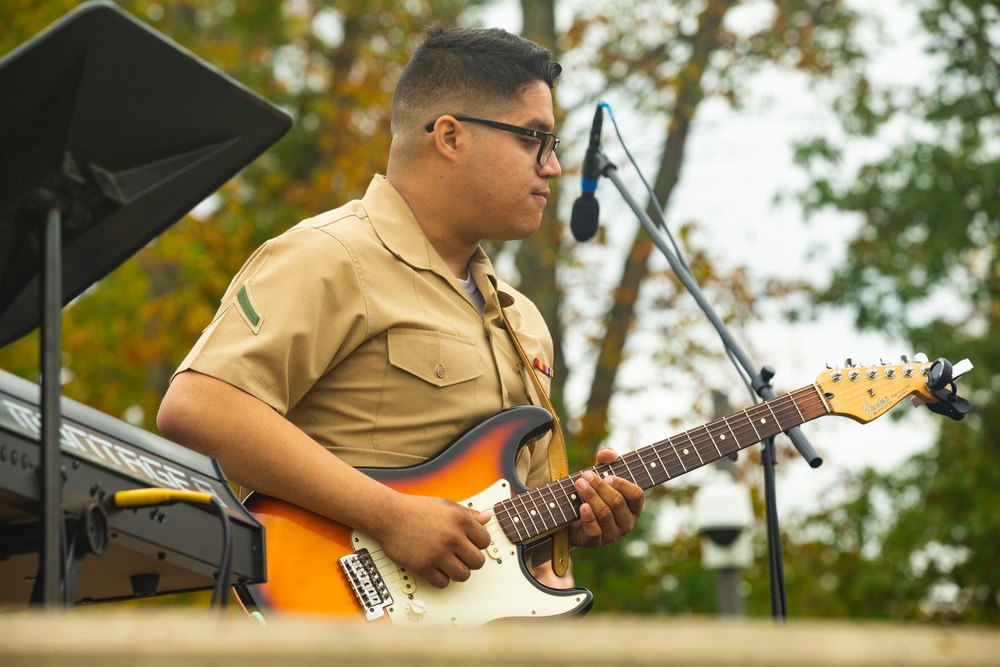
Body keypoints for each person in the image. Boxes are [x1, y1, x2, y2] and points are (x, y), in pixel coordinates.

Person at [157, 25, 644, 594]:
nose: (552, 167)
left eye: (553, 144)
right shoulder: (331, 255)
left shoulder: (525, 323)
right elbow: (197, 407)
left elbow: (529, 562)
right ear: (450, 136)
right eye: (533, 138)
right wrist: (389, 515)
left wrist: (569, 527)